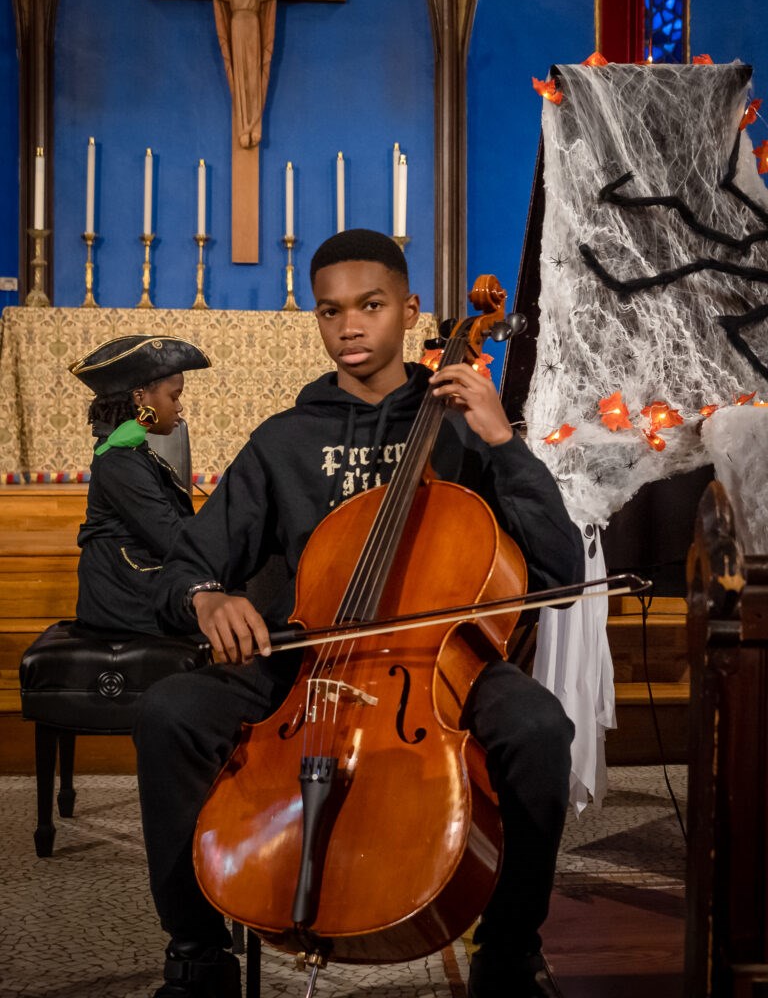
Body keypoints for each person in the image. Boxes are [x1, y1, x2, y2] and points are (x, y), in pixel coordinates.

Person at [135, 229, 584, 998]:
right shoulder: (284, 441)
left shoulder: (464, 425)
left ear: (409, 312)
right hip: (308, 657)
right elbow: (186, 564)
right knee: (170, 711)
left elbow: (560, 571)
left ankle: (508, 950)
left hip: (443, 657)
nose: (349, 326)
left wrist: (504, 441)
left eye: (370, 306)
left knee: (539, 729)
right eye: (330, 311)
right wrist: (206, 596)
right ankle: (195, 955)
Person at [69, 334, 211, 636]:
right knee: (241, 602)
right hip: (125, 598)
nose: (180, 406)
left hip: (137, 584)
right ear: (141, 397)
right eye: (174, 396)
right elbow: (171, 538)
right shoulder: (119, 461)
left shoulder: (131, 453)